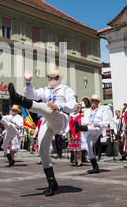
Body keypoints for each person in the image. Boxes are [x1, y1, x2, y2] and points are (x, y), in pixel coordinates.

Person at [8, 68, 76, 196]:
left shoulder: (66, 89)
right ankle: (52, 182)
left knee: (49, 109)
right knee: (42, 150)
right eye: (49, 77)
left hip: (60, 118)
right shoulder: (45, 90)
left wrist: (59, 106)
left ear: (58, 78)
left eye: (52, 77)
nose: (50, 79)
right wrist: (28, 82)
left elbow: (72, 104)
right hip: (47, 121)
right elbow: (31, 95)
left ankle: (18, 99)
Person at [74, 94, 109, 174]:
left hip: (97, 129)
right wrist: (87, 124)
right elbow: (85, 120)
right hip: (89, 129)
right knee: (88, 148)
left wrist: (98, 124)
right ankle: (95, 167)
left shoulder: (102, 110)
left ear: (97, 102)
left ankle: (80, 128)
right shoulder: (88, 111)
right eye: (92, 101)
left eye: (94, 101)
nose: (92, 102)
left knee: (91, 127)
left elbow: (106, 122)